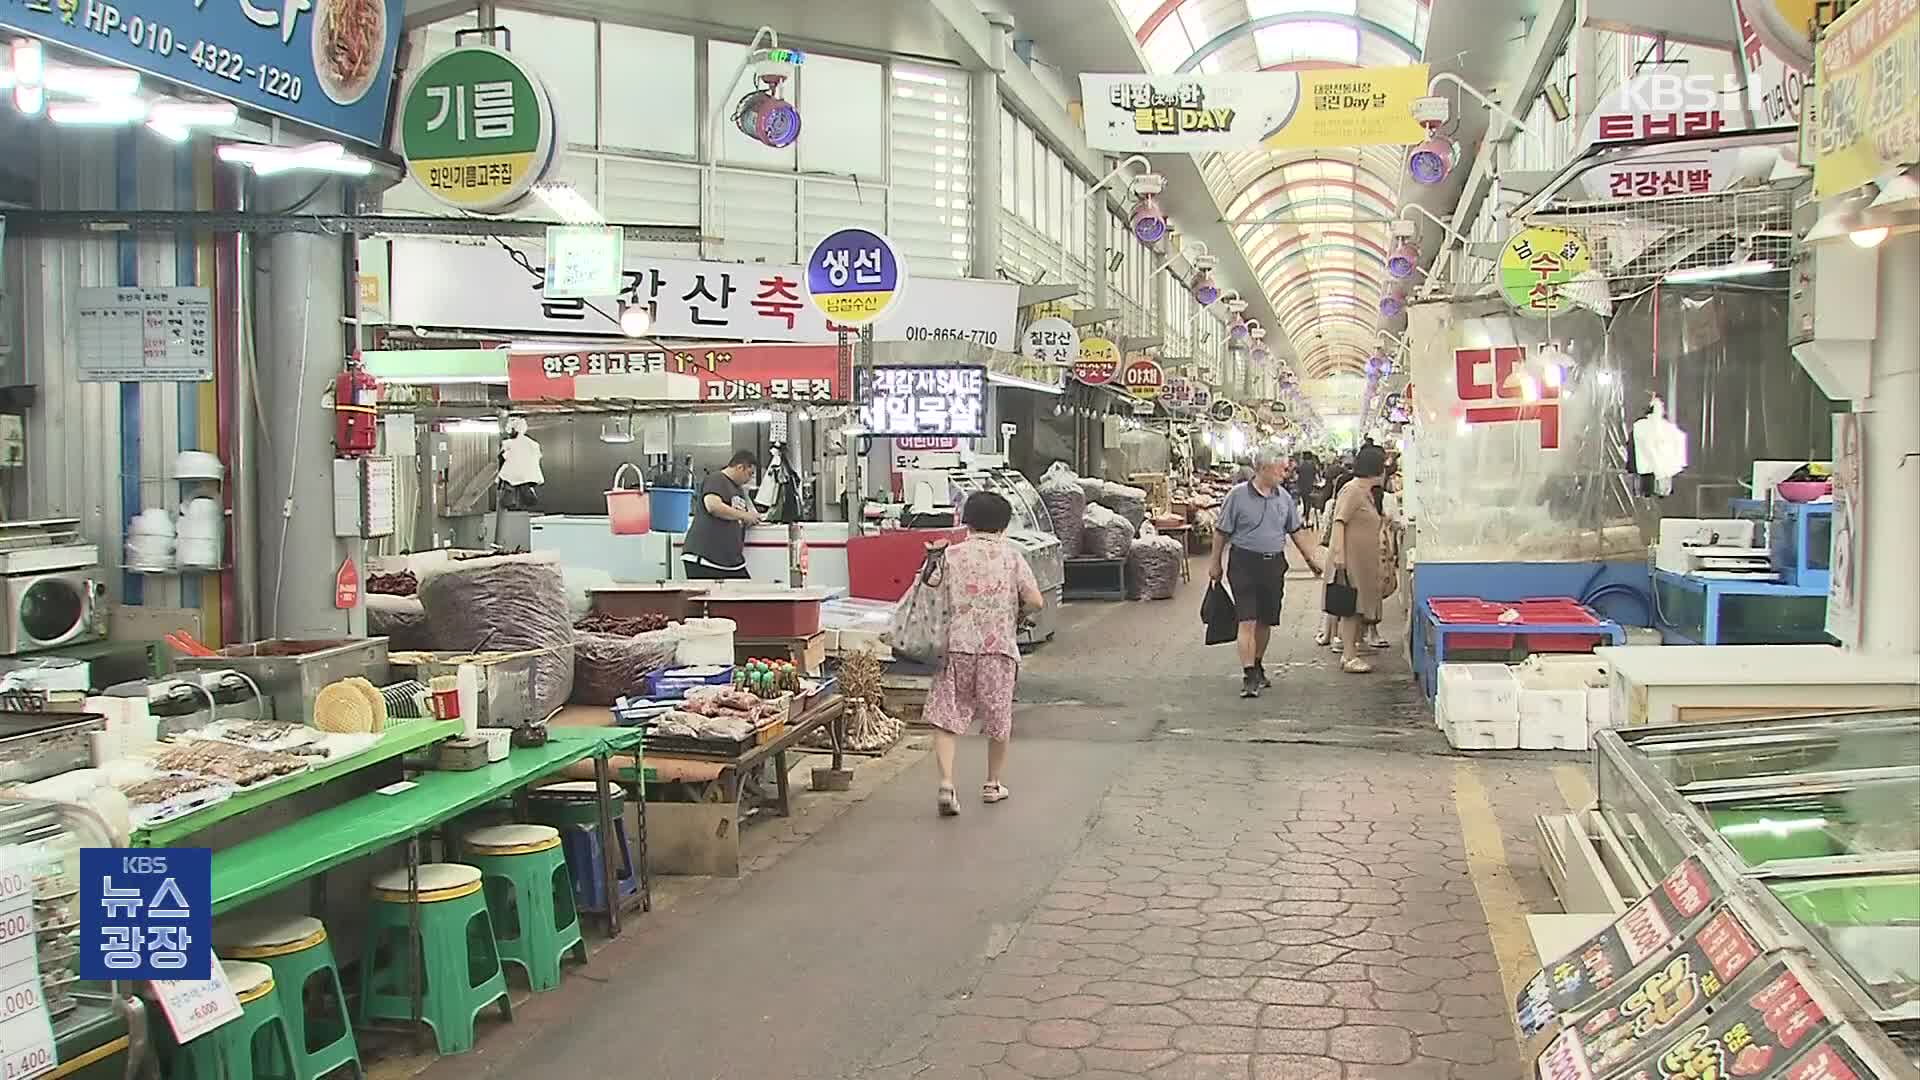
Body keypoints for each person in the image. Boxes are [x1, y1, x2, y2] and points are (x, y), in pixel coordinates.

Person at [927, 490, 1044, 817]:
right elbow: (1036, 600)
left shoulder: (951, 555)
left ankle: (947, 783)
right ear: (1003, 525)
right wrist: (1014, 610)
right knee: (998, 716)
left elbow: (929, 588)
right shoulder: (1011, 557)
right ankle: (993, 784)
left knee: (947, 714)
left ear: (968, 521)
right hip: (998, 649)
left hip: (956, 647)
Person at [1207, 445, 1324, 699]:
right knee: (1246, 618)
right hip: (1243, 564)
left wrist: (1311, 560)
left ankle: (1257, 663)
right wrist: (1215, 563)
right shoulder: (1237, 496)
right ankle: (1248, 674)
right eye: (1281, 468)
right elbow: (1221, 532)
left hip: (1273, 565)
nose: (1286, 473)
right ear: (1263, 468)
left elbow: (1295, 531)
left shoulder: (1284, 498)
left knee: (1265, 619)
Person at [1326, 444, 1389, 674]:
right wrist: (1340, 556)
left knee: (1357, 606)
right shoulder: (1352, 491)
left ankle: (1350, 652)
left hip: (1362, 562)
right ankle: (1349, 655)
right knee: (1351, 606)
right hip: (1351, 560)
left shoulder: (1366, 493)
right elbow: (1339, 521)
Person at [681, 450, 762, 580]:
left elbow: (737, 515)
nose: (749, 479)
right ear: (740, 467)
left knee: (745, 592)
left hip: (729, 561)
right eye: (749, 474)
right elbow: (713, 506)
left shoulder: (738, 490)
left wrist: (748, 519)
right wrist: (745, 516)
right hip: (706, 558)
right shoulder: (717, 479)